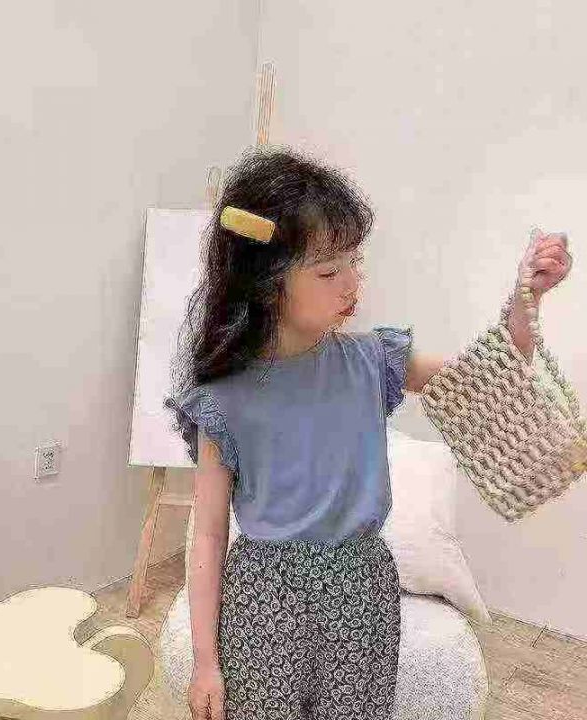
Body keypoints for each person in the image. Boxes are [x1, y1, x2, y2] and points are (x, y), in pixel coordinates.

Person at [163, 145, 570, 720]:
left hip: (362, 593)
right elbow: (207, 535)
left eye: (354, 261)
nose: (352, 282)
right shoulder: (223, 400)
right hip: (261, 602)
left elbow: (487, 377)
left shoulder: (371, 361)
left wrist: (527, 299)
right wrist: (207, 661)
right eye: (329, 271)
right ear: (266, 283)